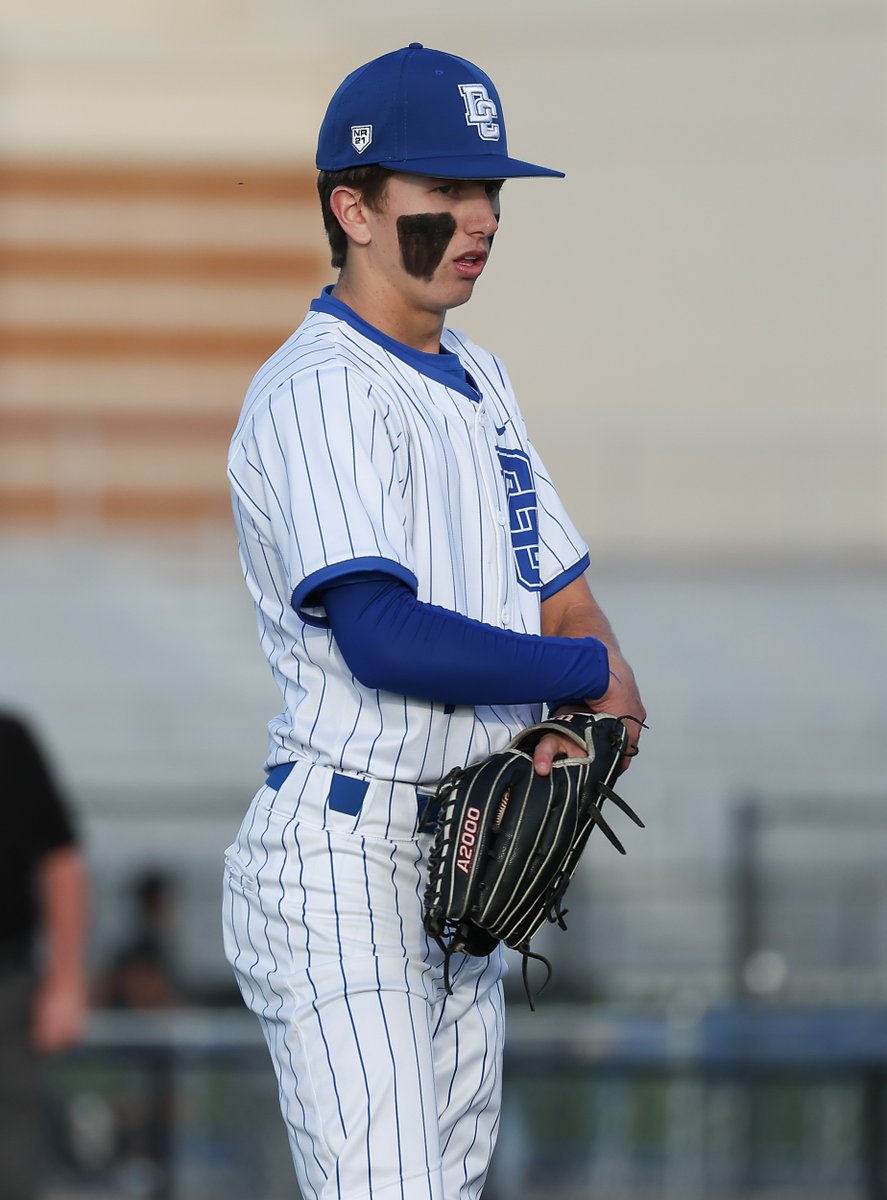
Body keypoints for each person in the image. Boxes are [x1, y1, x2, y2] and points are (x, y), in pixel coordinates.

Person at [223, 43, 645, 1200]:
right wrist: (582, 669)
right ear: (351, 208)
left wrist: (591, 666)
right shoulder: (319, 389)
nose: (480, 218)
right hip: (342, 861)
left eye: (490, 191)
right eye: (445, 192)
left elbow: (562, 583)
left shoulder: (479, 380)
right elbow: (381, 634)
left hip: (457, 860)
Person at [1, 710, 89, 1200]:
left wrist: (66, 980)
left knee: (9, 1166)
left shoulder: (8, 741)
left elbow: (61, 860)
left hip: (6, 992)